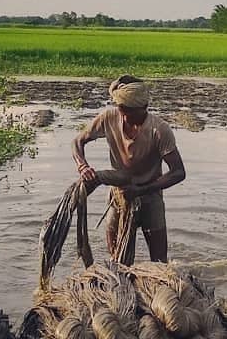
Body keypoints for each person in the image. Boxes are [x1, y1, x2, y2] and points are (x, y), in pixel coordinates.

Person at [72, 75, 186, 263]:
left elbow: (178, 172)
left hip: (150, 196)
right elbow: (78, 141)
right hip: (119, 194)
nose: (126, 116)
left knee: (159, 261)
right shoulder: (109, 118)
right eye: (124, 110)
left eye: (134, 111)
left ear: (145, 107)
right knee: (118, 259)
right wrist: (82, 166)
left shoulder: (159, 129)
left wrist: (141, 190)